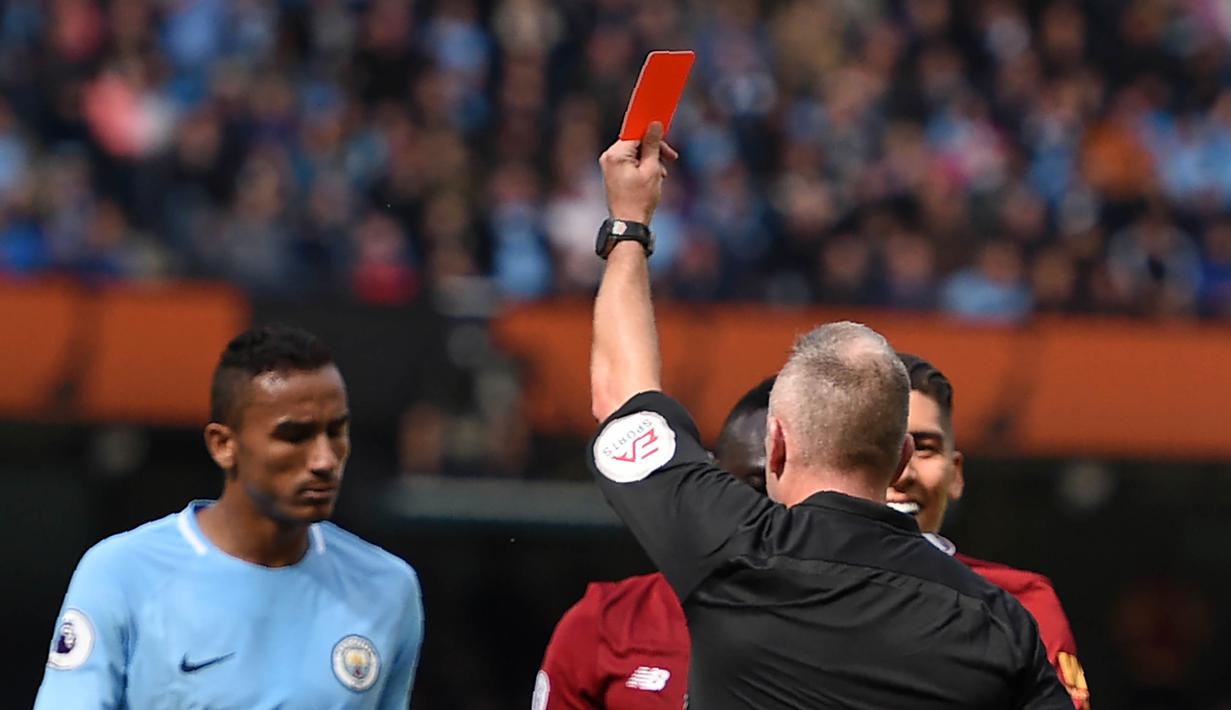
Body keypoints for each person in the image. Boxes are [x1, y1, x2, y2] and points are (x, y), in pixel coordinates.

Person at [585, 122, 1069, 708]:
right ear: (900, 459)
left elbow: (621, 395)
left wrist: (630, 221)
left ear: (779, 444)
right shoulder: (999, 623)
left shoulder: (731, 546)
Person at [34, 325, 424, 709]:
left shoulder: (387, 588)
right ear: (223, 445)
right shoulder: (121, 573)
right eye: (294, 436)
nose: (324, 460)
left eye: (336, 431)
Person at [533, 378, 773, 709]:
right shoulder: (606, 625)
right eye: (756, 490)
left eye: (798, 502)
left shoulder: (858, 634)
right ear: (712, 482)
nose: (774, 519)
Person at [889, 352, 1091, 709]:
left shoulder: (1023, 602)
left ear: (956, 474)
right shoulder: (791, 590)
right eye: (884, 448)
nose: (903, 472)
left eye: (923, 448)